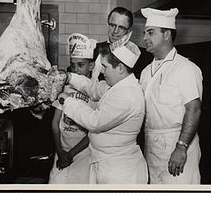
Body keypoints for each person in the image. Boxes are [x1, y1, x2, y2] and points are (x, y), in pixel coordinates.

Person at [59, 32, 148, 184]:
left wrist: (68, 102)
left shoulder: (128, 95)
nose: (101, 71)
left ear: (120, 68)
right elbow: (94, 89)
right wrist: (69, 77)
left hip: (119, 171)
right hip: (106, 163)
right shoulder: (117, 85)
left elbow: (95, 121)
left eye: (105, 67)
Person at [139, 7, 203, 184]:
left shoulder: (186, 68)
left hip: (178, 145)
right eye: (144, 33)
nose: (145, 38)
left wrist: (181, 147)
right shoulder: (145, 72)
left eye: (150, 33)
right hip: (151, 146)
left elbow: (194, 109)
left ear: (166, 34)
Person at [48, 33, 97, 184]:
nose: (75, 70)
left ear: (91, 66)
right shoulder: (66, 88)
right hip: (62, 150)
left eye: (80, 65)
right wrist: (60, 151)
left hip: (83, 154)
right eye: (73, 65)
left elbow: (93, 132)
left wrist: (70, 154)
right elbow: (55, 123)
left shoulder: (96, 92)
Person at [92, 6, 151, 81]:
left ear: (128, 31)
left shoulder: (141, 57)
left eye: (121, 28)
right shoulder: (94, 49)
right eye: (113, 25)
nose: (115, 31)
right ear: (107, 25)